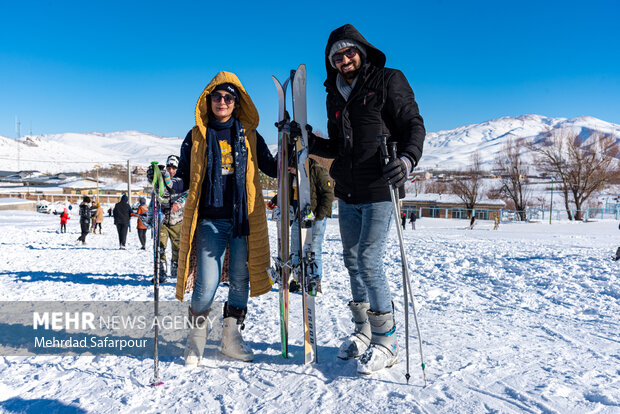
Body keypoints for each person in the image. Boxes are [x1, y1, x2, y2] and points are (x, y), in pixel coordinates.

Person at [308, 24, 425, 374]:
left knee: (369, 259)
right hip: (347, 189)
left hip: (380, 187)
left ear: (361, 49)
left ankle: (386, 341)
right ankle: (362, 331)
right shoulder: (334, 94)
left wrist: (406, 160)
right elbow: (338, 148)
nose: (344, 59)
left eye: (349, 52)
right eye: (337, 56)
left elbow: (414, 125)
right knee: (351, 259)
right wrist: (307, 139)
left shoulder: (389, 79)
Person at [174, 72, 277, 366]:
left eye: (228, 97)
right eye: (217, 97)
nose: (222, 102)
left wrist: (292, 149)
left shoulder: (249, 136)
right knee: (206, 283)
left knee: (240, 280)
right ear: (209, 100)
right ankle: (195, 343)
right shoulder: (197, 136)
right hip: (210, 219)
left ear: (236, 102)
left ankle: (231, 339)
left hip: (243, 219)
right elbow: (183, 175)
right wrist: (172, 186)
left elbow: (271, 167)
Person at [288, 158, 335, 293]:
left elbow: (328, 194)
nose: (290, 172)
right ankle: (298, 279)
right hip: (298, 216)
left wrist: (319, 215)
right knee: (295, 249)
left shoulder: (317, 170)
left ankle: (315, 281)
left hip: (315, 218)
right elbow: (292, 194)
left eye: (291, 169)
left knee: (313, 250)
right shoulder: (293, 176)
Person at [158, 155, 185, 281]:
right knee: (160, 247)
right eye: (169, 167)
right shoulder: (160, 182)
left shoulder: (181, 181)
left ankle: (176, 269)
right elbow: (155, 198)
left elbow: (174, 186)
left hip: (178, 221)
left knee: (178, 248)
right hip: (163, 220)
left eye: (174, 168)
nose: (171, 170)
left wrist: (178, 203)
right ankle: (161, 272)